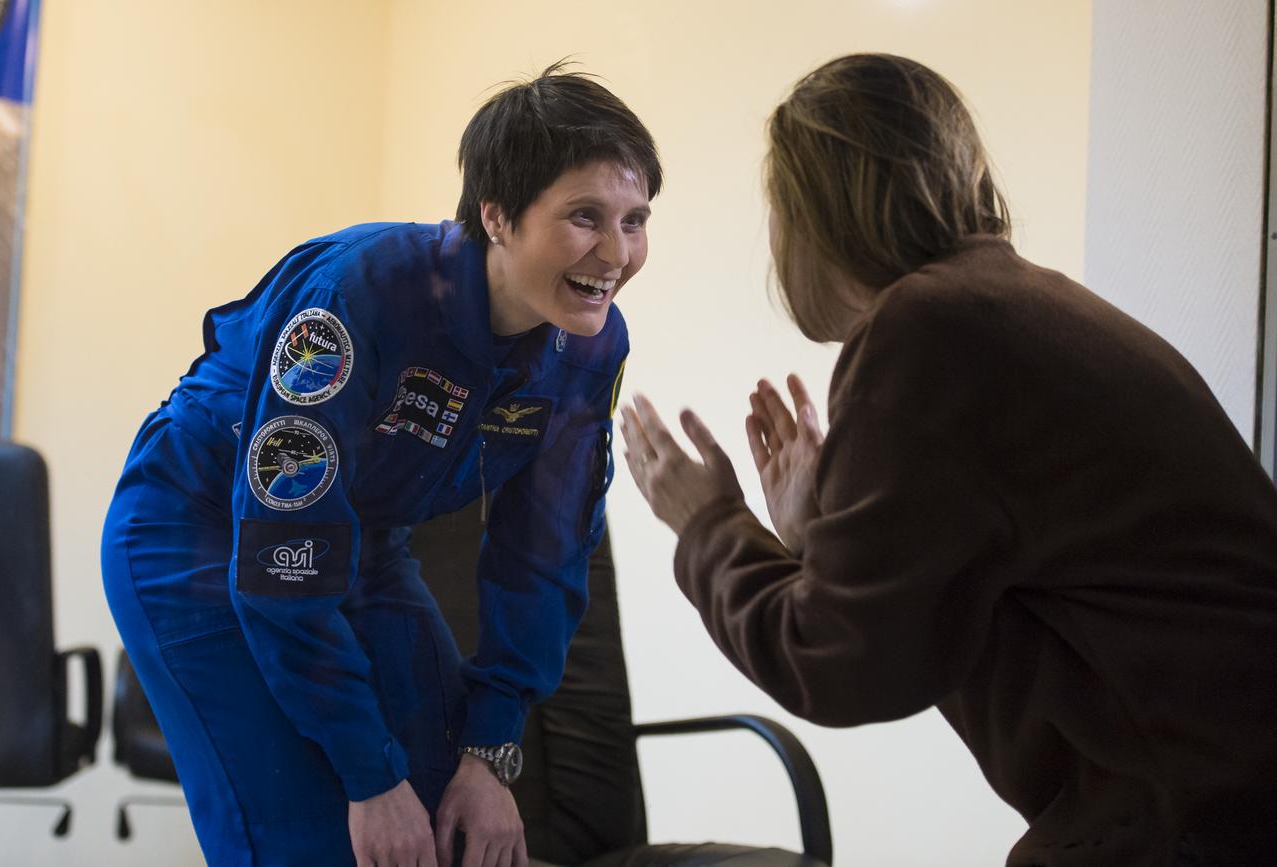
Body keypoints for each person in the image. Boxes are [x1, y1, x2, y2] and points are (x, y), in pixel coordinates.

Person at [621, 53, 1277, 866]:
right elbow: (950, 608)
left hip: (1191, 823)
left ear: (812, 210)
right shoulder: (1020, 303)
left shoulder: (926, 331)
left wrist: (707, 522)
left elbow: (842, 664)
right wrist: (815, 536)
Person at [102, 63, 658, 867]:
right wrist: (368, 777)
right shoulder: (358, 295)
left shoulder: (590, 343)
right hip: (196, 530)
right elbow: (283, 551)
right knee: (320, 839)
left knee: (451, 819)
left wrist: (490, 751)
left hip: (365, 538)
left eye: (635, 219)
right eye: (584, 217)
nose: (616, 253)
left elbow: (546, 551)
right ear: (498, 214)